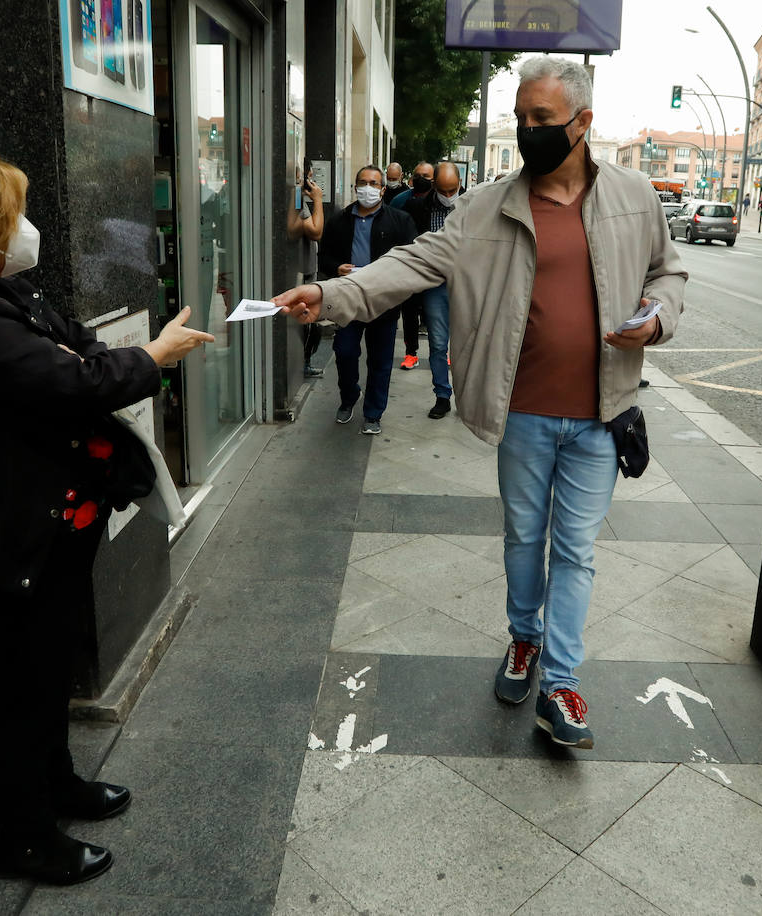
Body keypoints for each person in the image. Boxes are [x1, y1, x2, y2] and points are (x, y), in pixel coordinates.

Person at [275, 58, 687, 749]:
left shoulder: (635, 197)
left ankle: (560, 682)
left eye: (542, 120)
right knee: (525, 539)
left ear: (583, 124)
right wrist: (334, 295)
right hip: (521, 409)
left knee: (577, 550)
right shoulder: (487, 205)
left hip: (602, 411)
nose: (527, 131)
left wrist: (656, 317)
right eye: (522, 118)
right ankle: (523, 641)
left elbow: (666, 271)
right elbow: (414, 264)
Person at [0, 144, 213, 885]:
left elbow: (80, 347)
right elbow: (71, 379)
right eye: (9, 211)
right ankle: (23, 837)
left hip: (49, 518)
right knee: (26, 681)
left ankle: (56, 785)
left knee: (50, 665)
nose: (22, 225)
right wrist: (152, 357)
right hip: (5, 528)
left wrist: (123, 361)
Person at [316, 164, 417, 434]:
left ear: (383, 189)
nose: (368, 188)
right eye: (363, 183)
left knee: (380, 361)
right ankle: (349, 397)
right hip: (348, 299)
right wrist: (337, 267)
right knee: (345, 352)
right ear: (355, 187)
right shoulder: (339, 221)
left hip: (383, 302)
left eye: (374, 183)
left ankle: (373, 413)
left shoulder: (400, 221)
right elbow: (324, 257)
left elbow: (410, 260)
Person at [402, 160, 462, 419]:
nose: (449, 196)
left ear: (461, 184)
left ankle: (467, 395)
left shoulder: (473, 206)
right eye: (444, 190)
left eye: (453, 190)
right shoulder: (418, 207)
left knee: (467, 345)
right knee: (438, 343)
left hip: (466, 285)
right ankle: (442, 395)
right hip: (435, 284)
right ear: (435, 184)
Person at [391, 161, 434, 368]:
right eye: (418, 175)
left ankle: (441, 351)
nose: (421, 179)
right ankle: (411, 353)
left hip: (436, 266)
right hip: (409, 264)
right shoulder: (401, 201)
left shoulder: (440, 202)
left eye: (426, 176)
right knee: (409, 312)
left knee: (436, 311)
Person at [289, 170, 326, 377]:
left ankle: (304, 361)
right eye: (308, 176)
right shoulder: (296, 199)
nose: (311, 180)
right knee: (305, 321)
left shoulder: (298, 199)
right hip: (300, 271)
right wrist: (318, 200)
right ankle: (302, 363)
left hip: (306, 268)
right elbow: (315, 230)